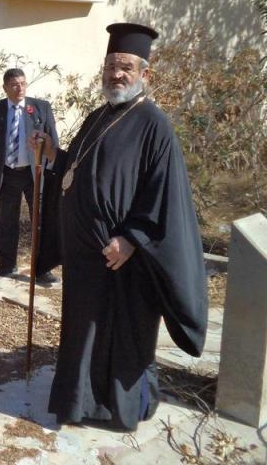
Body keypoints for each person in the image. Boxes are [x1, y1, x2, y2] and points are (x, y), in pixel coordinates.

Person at [31, 23, 208, 431]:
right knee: (83, 334)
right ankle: (78, 403)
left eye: (125, 67)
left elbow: (163, 195)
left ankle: (118, 409)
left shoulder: (153, 124)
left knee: (120, 338)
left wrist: (131, 238)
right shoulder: (98, 116)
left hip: (122, 260)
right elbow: (75, 169)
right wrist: (49, 153)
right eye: (110, 66)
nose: (116, 74)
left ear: (145, 73)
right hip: (86, 258)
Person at [0, 68, 59, 284]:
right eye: (15, 85)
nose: (20, 89)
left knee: (41, 220)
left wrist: (55, 171)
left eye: (23, 84)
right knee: (6, 221)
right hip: (7, 174)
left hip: (34, 173)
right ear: (6, 88)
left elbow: (53, 142)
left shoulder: (40, 108)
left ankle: (43, 269)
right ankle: (6, 265)